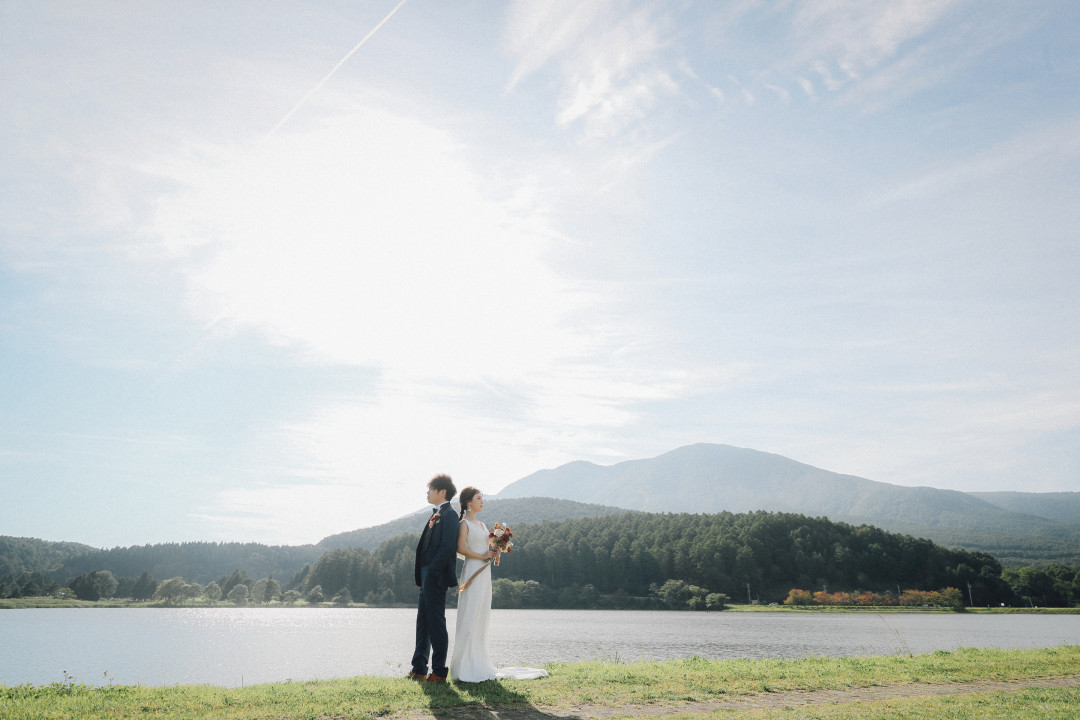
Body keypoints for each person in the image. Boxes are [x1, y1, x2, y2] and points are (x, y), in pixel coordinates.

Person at [449, 487, 548, 683]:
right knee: (470, 614)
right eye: (479, 498)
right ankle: (464, 667)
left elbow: (487, 547)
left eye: (482, 498)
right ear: (469, 502)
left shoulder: (483, 524)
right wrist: (482, 555)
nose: (482, 501)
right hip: (472, 571)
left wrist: (497, 548)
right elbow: (460, 548)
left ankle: (479, 660)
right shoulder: (464, 524)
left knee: (481, 615)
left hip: (485, 572)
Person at [408, 474, 460, 683]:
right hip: (426, 574)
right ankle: (419, 668)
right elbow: (424, 548)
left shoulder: (450, 515)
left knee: (436, 623)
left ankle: (439, 671)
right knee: (423, 623)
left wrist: (433, 574)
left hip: (436, 577)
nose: (427, 493)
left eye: (430, 489)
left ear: (442, 492)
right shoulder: (436, 514)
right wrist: (421, 575)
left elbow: (447, 548)